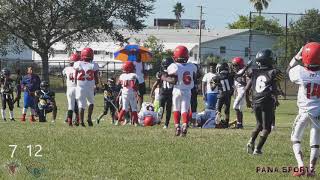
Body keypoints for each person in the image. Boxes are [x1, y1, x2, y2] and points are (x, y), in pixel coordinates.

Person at [287, 42, 320, 177]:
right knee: (315, 141)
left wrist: (297, 57)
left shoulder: (299, 72)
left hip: (303, 112)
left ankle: (301, 166)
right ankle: (311, 170)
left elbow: (288, 70)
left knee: (295, 138)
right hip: (318, 113)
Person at [243, 49, 281, 155]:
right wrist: (276, 98)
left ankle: (251, 142)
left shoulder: (254, 72)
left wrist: (248, 102)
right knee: (266, 128)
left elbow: (246, 90)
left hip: (255, 101)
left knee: (259, 124)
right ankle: (258, 149)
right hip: (267, 101)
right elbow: (273, 89)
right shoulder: (273, 72)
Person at [162, 45, 197, 137]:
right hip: (188, 90)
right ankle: (185, 125)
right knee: (185, 109)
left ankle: (177, 126)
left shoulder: (174, 66)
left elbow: (173, 80)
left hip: (177, 90)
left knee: (176, 108)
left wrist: (163, 77)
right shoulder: (192, 66)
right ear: (187, 56)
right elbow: (197, 75)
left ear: (175, 56)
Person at [74, 48, 99, 127]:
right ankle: (89, 118)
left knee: (81, 105)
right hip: (90, 87)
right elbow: (96, 77)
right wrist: (97, 85)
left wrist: (76, 84)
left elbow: (75, 75)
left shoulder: (78, 63)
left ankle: (81, 121)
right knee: (91, 103)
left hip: (80, 87)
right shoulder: (94, 65)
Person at [150, 57, 174, 129]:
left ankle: (159, 120)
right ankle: (166, 124)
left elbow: (156, 84)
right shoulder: (173, 73)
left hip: (162, 93)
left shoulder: (160, 73)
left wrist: (152, 92)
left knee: (161, 108)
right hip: (170, 93)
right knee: (168, 109)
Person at [211, 62, 234, 128]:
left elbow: (212, 88)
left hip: (220, 95)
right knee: (227, 110)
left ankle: (217, 122)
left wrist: (215, 84)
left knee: (218, 109)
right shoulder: (230, 76)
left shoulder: (216, 77)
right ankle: (226, 123)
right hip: (228, 96)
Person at [117, 61, 139, 126]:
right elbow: (133, 85)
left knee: (124, 108)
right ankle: (136, 123)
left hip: (124, 93)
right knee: (134, 108)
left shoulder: (122, 76)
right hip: (131, 93)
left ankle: (118, 121)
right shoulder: (133, 75)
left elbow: (119, 83)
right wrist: (136, 91)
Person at [62, 53, 80, 126]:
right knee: (79, 105)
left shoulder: (66, 69)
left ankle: (69, 121)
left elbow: (64, 74)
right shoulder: (79, 68)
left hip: (69, 88)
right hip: (77, 88)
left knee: (70, 106)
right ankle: (78, 120)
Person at [231, 57, 247, 129]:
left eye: (235, 65)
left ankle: (239, 124)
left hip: (243, 92)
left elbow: (245, 82)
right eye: (233, 65)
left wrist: (238, 78)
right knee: (239, 108)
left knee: (236, 107)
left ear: (240, 65)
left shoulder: (242, 72)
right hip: (240, 93)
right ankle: (239, 124)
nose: (234, 67)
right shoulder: (239, 72)